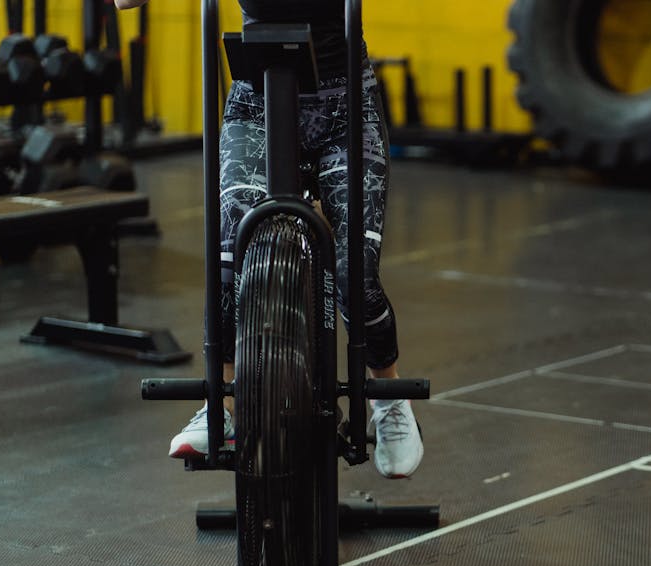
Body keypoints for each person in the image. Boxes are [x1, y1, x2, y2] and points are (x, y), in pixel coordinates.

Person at [114, 0, 424, 478]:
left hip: (344, 107)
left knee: (353, 272)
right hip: (255, 101)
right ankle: (223, 405)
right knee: (227, 258)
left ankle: (390, 401)